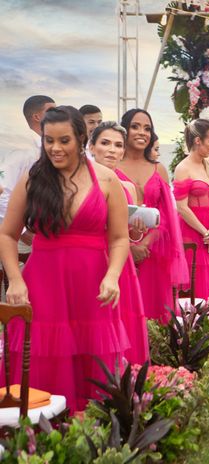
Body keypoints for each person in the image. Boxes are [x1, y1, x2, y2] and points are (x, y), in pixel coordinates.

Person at [0, 106, 129, 413]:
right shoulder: (33, 180)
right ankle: (41, 433)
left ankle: (94, 435)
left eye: (64, 140)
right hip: (44, 284)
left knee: (92, 359)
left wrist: (112, 276)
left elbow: (119, 238)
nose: (55, 148)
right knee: (44, 355)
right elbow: (7, 235)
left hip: (93, 284)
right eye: (49, 141)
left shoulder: (108, 180)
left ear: (81, 138)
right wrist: (15, 279)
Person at [117, 108, 188, 324]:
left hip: (153, 254)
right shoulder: (110, 168)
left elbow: (167, 217)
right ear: (124, 130)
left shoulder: (159, 170)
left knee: (155, 311)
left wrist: (146, 243)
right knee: (125, 311)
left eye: (147, 128)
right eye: (135, 126)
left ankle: (156, 358)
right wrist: (129, 246)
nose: (142, 133)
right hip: (118, 252)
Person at [90, 121, 149, 364]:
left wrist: (138, 230)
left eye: (118, 145)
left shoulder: (127, 187)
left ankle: (124, 381)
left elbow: (130, 235)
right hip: (93, 258)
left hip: (120, 262)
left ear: (123, 151)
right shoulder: (84, 181)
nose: (112, 150)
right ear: (92, 147)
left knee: (124, 317)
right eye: (105, 143)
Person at [173, 120, 209, 298]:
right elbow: (182, 208)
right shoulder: (182, 168)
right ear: (198, 141)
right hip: (192, 231)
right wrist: (205, 232)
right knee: (196, 281)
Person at [0, 95, 56, 225]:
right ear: (37, 117)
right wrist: (23, 230)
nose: (57, 115)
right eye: (52, 111)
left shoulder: (45, 146)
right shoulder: (21, 149)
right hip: (20, 233)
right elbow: (3, 191)